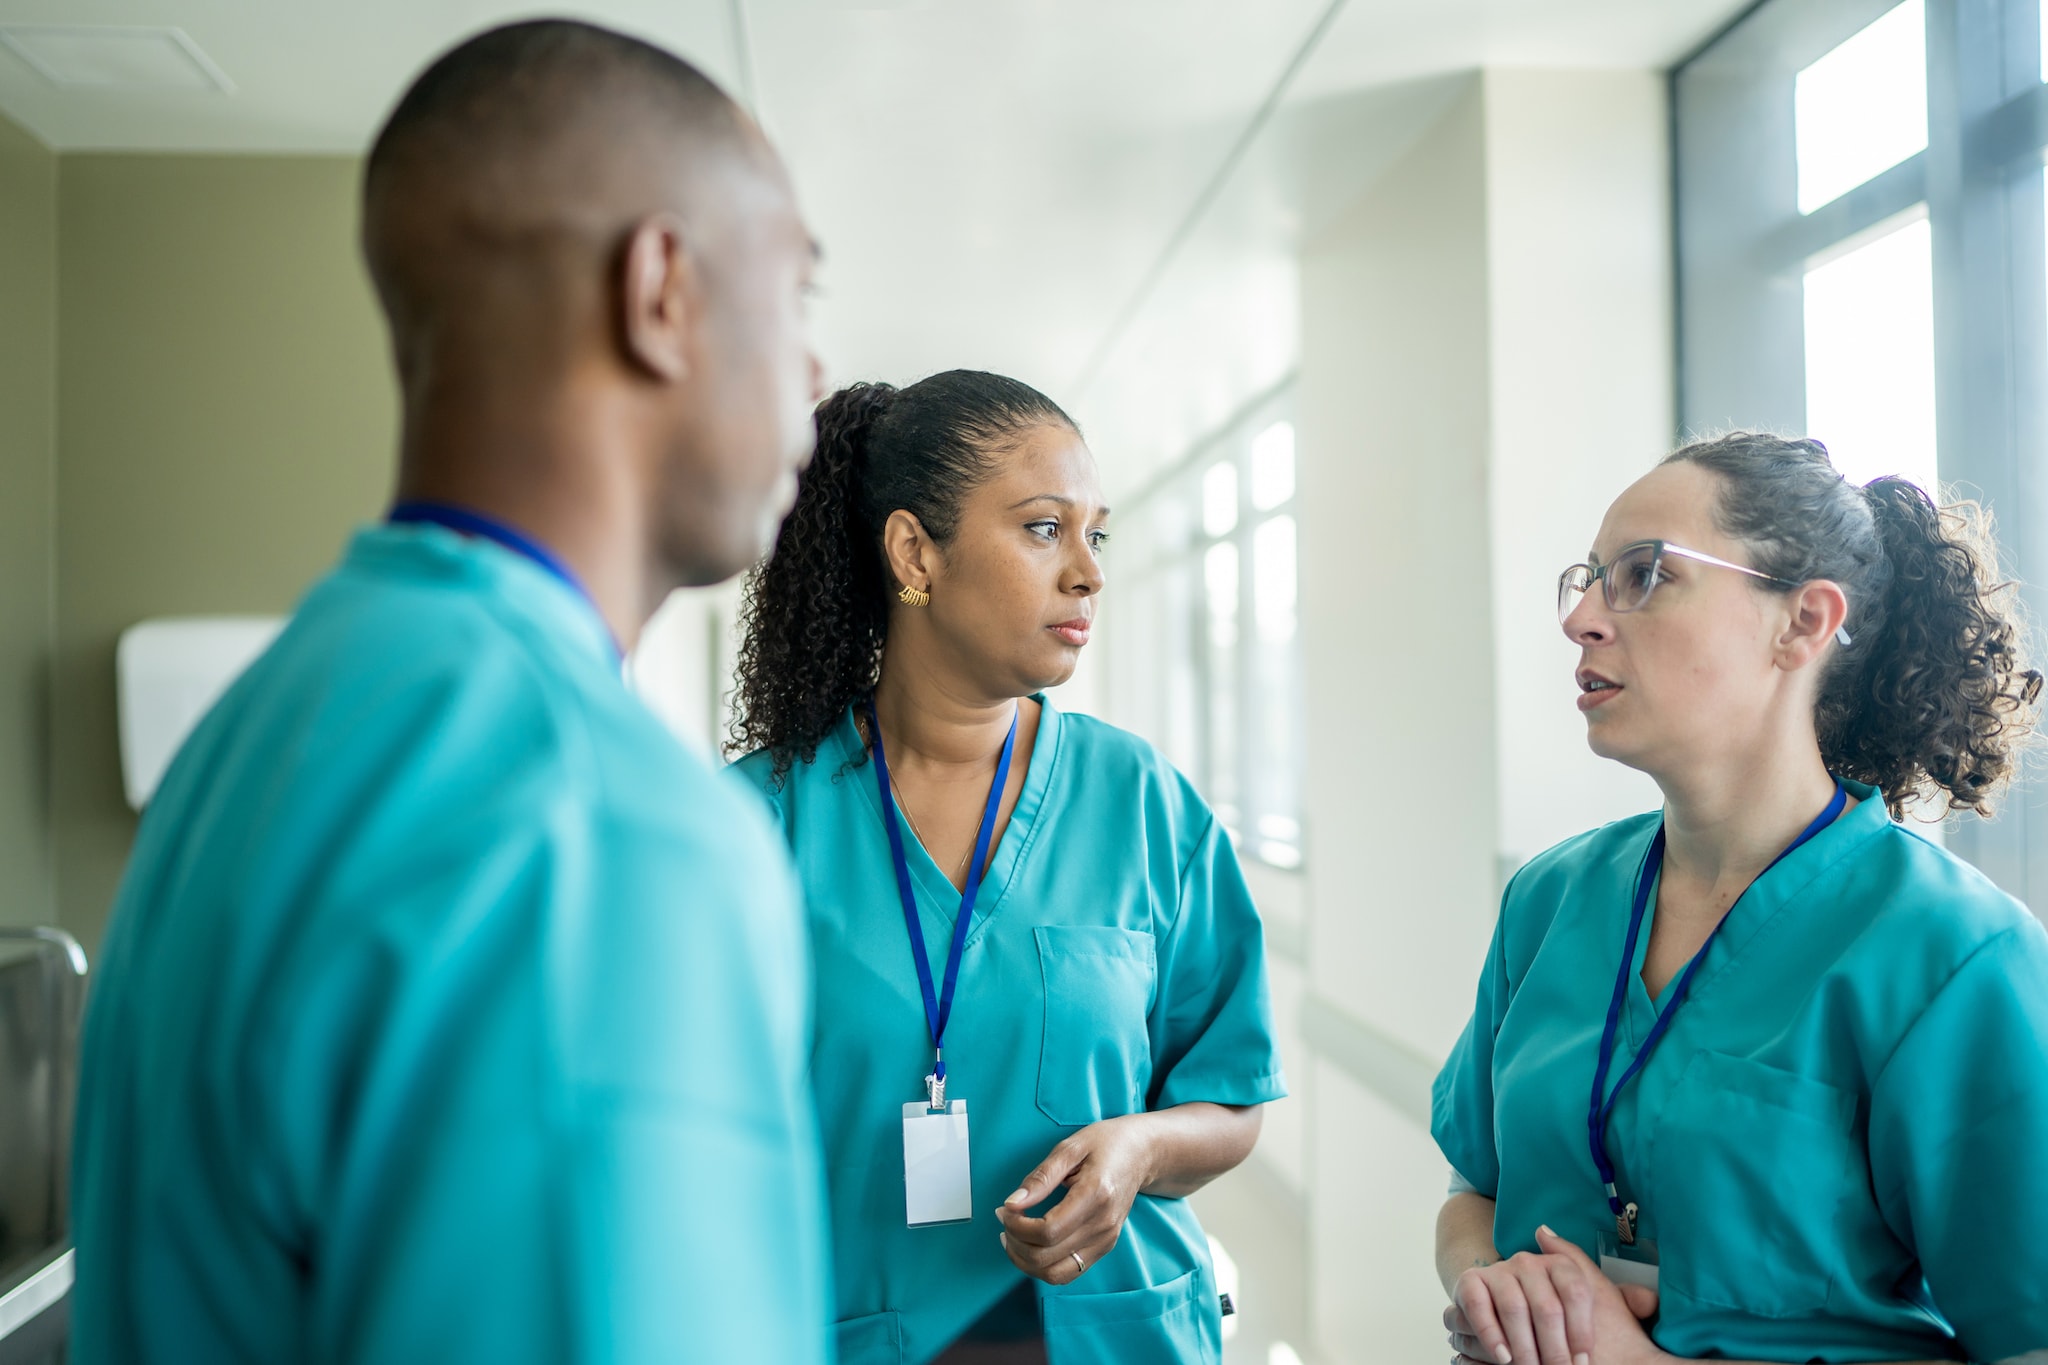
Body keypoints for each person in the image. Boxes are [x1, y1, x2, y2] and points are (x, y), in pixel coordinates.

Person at [70, 20, 829, 1363]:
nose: (814, 379)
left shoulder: (257, 741)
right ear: (662, 290)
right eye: (798, 297)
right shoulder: (594, 829)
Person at [1432, 433, 2048, 1365]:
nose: (1583, 619)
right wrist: (1498, 1290)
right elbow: (1472, 1186)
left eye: (1645, 575)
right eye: (1590, 578)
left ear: (1802, 623)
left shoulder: (1955, 952)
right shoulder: (1548, 899)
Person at [726, 371, 1285, 1365]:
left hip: (1114, 1334)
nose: (1087, 573)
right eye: (1041, 528)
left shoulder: (1144, 805)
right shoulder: (753, 828)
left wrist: (1140, 1149)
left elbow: (1232, 1094)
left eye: (1094, 534)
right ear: (913, 554)